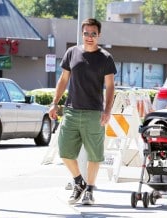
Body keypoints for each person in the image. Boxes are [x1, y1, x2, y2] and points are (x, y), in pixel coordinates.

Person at [49, 18, 117, 205]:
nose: (89, 37)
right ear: (82, 34)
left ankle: (90, 190)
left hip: (94, 113)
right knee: (64, 151)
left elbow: (110, 86)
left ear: (99, 35)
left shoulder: (105, 57)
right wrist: (55, 102)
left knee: (95, 155)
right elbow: (63, 80)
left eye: (93, 34)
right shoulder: (72, 53)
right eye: (86, 33)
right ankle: (79, 182)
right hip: (71, 111)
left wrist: (107, 110)